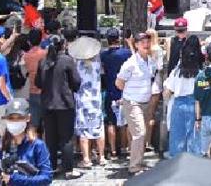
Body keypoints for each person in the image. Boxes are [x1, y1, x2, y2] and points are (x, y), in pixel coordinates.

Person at [0, 98, 53, 186]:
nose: (15, 121)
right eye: (11, 118)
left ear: (28, 118)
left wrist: (14, 179)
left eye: (19, 118)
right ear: (5, 119)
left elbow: (46, 177)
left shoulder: (37, 146)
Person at [35, 33, 82, 179]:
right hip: (65, 104)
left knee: (50, 138)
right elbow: (76, 82)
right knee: (66, 138)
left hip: (48, 104)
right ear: (63, 45)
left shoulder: (43, 62)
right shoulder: (67, 61)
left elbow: (38, 83)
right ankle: (68, 169)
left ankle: (52, 168)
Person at [116, 32, 161, 176]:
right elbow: (119, 83)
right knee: (139, 133)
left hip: (145, 101)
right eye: (142, 43)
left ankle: (138, 161)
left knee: (141, 133)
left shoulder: (151, 61)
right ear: (136, 45)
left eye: (148, 42)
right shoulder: (130, 64)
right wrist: (130, 94)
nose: (146, 45)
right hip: (133, 102)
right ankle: (134, 166)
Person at [163, 35, 202, 158]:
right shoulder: (200, 73)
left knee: (177, 138)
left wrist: (167, 103)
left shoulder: (177, 72)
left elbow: (167, 92)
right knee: (194, 139)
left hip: (178, 104)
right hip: (194, 105)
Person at [69, 36, 105, 168]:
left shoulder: (76, 65)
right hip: (96, 98)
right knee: (99, 128)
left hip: (82, 98)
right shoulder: (97, 64)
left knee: (83, 130)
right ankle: (101, 157)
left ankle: (86, 159)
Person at [101, 27, 131, 158]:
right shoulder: (126, 53)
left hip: (110, 90)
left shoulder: (103, 55)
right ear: (118, 38)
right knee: (124, 122)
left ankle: (113, 150)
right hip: (124, 90)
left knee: (111, 122)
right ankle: (124, 147)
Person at [23, 28, 47, 133]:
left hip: (32, 91)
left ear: (29, 41)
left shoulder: (25, 56)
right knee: (47, 124)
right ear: (41, 39)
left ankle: (32, 147)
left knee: (33, 125)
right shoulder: (45, 53)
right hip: (46, 91)